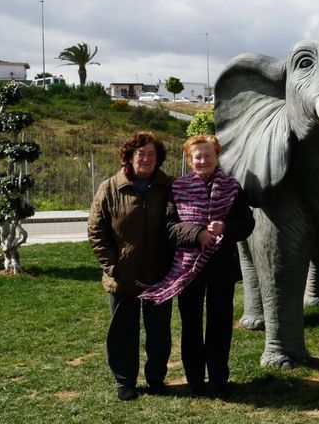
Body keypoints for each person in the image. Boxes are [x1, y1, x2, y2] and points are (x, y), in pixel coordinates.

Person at [139, 134, 254, 399]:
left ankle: (218, 379)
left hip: (221, 268)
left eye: (208, 155)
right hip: (188, 269)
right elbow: (169, 227)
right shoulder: (178, 188)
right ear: (190, 160)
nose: (203, 160)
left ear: (216, 157)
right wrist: (197, 234)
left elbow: (247, 223)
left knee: (220, 325)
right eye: (197, 156)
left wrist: (226, 226)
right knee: (190, 325)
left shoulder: (232, 187)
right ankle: (195, 381)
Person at [88, 132, 174, 401]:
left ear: (158, 158)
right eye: (141, 154)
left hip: (159, 275)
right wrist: (112, 266)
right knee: (123, 332)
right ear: (129, 156)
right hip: (122, 276)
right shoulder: (110, 188)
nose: (146, 158)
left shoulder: (169, 186)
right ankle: (124, 381)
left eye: (152, 154)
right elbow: (96, 230)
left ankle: (156, 378)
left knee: (159, 331)